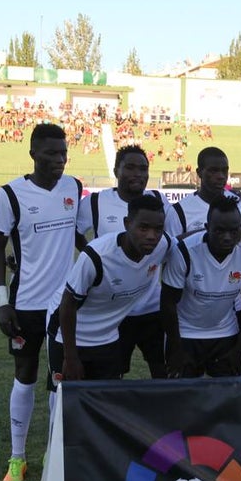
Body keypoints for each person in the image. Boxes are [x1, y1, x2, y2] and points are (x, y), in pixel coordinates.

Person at [0, 123, 85, 481]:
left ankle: (51, 451)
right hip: (25, 302)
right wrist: (2, 303)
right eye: (51, 153)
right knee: (25, 377)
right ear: (33, 154)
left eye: (63, 152)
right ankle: (17, 457)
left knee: (59, 382)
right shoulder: (11, 194)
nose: (59, 159)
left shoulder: (73, 188)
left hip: (63, 305)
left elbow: (78, 235)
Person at [53, 194, 172, 383]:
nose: (151, 236)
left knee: (104, 400)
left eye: (158, 229)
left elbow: (186, 245)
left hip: (107, 337)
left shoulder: (162, 244)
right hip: (69, 332)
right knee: (65, 398)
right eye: (143, 228)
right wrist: (71, 357)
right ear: (127, 224)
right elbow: (67, 304)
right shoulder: (97, 256)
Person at [76, 145, 171, 378]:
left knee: (163, 371)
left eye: (143, 168)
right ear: (116, 170)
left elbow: (174, 242)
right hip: (114, 312)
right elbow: (73, 232)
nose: (138, 174)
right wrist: (94, 257)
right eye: (130, 167)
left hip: (151, 307)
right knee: (113, 375)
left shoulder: (158, 200)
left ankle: (164, 414)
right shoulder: (95, 202)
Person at [161, 197, 241, 378]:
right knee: (181, 398)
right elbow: (168, 303)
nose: (227, 237)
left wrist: (239, 349)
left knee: (228, 397)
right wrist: (176, 349)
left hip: (226, 331)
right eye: (219, 230)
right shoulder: (184, 252)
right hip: (186, 333)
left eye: (233, 231)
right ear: (207, 226)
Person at [165, 146, 241, 241]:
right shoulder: (179, 211)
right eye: (213, 171)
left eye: (224, 170)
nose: (221, 176)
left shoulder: (240, 204)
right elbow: (171, 247)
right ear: (199, 173)